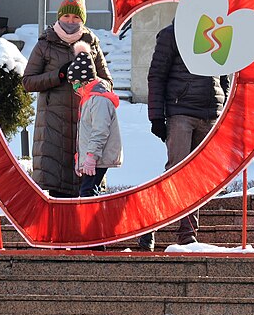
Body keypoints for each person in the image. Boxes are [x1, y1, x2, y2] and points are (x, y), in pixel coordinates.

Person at [139, 20, 229, 251]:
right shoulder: (171, 34)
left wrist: (223, 105)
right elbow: (156, 76)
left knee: (196, 178)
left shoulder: (217, 27)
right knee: (176, 174)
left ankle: (187, 234)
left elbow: (225, 72)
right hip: (181, 112)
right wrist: (156, 117)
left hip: (211, 114)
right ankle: (149, 224)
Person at [23, 0, 113, 198]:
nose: (70, 21)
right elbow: (28, 81)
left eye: (75, 17)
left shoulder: (91, 43)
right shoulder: (46, 43)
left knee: (87, 192)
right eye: (66, 16)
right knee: (58, 194)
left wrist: (91, 79)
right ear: (59, 16)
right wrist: (60, 75)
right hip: (54, 128)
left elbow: (108, 82)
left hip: (87, 126)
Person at [67, 41, 123, 197]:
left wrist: (90, 157)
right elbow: (86, 133)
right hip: (93, 157)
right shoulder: (89, 99)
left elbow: (100, 131)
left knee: (88, 192)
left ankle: (92, 222)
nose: (74, 88)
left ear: (84, 81)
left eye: (75, 83)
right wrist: (82, 158)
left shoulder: (98, 100)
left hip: (97, 157)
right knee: (89, 191)